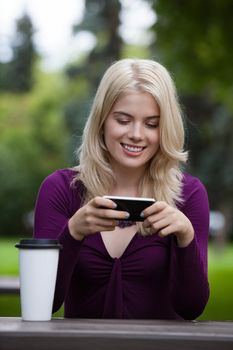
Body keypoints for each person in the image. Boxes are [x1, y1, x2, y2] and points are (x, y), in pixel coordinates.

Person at [34, 58, 210, 320]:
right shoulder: (60, 190)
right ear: (102, 120)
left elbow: (191, 308)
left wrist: (185, 236)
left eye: (151, 124)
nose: (137, 134)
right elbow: (42, 303)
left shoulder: (189, 195)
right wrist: (73, 233)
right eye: (123, 120)